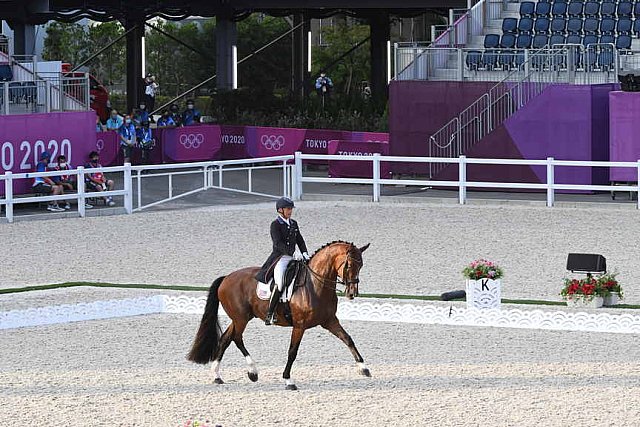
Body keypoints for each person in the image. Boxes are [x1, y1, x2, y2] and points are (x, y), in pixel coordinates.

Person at [256, 197, 310, 326]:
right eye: (288, 209)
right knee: (280, 283)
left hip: (294, 257)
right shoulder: (275, 225)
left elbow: (300, 240)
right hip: (280, 258)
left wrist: (304, 253)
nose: (290, 211)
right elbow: (278, 243)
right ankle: (270, 313)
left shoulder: (293, 223)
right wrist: (293, 253)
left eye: (291, 209)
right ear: (280, 210)